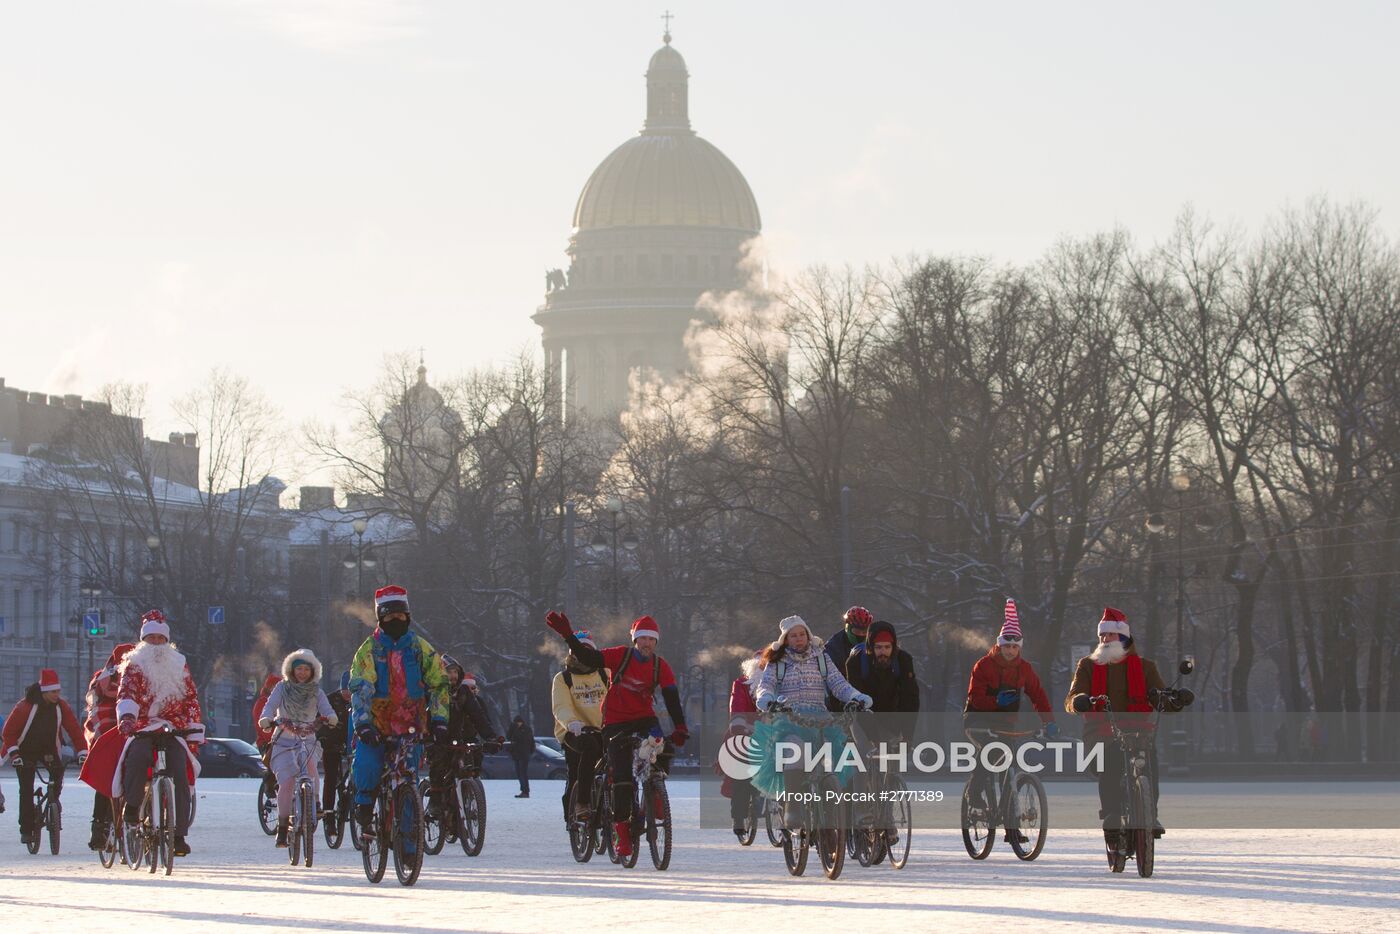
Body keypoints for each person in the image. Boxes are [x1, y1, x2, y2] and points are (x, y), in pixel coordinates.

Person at [544, 611, 689, 859]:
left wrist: (680, 727)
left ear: (656, 642)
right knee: (621, 777)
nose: (646, 644)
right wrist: (569, 636)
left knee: (663, 748)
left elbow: (671, 697)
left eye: (651, 640)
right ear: (635, 641)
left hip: (644, 718)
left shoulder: (659, 665)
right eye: (642, 639)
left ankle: (654, 792)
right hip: (615, 721)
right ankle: (622, 832)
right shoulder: (620, 656)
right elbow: (589, 656)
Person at [81, 610, 203, 857]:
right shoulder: (133, 664)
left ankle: (178, 835)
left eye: (160, 638)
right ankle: (133, 808)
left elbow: (191, 698)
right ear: (143, 641)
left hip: (172, 727)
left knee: (180, 771)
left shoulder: (179, 663)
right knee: (136, 759)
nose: (156, 644)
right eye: (151, 639)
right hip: (143, 726)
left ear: (167, 641)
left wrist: (193, 725)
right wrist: (127, 717)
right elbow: (127, 694)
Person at [1065, 607, 1189, 844]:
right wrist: (1078, 701)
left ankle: (1150, 814)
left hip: (1138, 731)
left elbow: (1159, 697)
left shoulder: (1145, 667)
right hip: (1101, 731)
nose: (1104, 639)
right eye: (1102, 635)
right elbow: (1072, 698)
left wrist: (1176, 700)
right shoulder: (1087, 665)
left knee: (1149, 765)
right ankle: (1111, 816)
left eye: (1110, 635)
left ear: (1123, 637)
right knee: (1110, 763)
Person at [348, 585, 449, 834]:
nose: (396, 620)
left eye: (400, 616)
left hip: (411, 724)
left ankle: (408, 844)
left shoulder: (420, 648)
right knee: (368, 765)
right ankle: (364, 803)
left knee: (407, 780)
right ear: (381, 618)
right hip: (376, 724)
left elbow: (439, 684)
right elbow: (360, 687)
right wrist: (362, 723)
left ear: (408, 617)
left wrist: (439, 719)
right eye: (390, 616)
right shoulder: (369, 649)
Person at [752, 616, 871, 819]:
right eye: (793, 636)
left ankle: (833, 818)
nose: (799, 639)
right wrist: (767, 700)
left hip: (820, 719)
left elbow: (838, 684)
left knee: (836, 760)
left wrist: (856, 696)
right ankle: (794, 808)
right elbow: (766, 685)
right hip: (790, 719)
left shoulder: (821, 658)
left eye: (802, 634)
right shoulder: (777, 662)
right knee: (794, 750)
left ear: (808, 635)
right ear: (786, 639)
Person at [964, 599, 1056, 842]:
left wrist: (1049, 721)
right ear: (1000, 645)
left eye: (1015, 647)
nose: (1011, 650)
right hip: (978, 721)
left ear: (1020, 648)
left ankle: (1011, 828)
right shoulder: (983, 665)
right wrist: (997, 702)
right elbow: (975, 697)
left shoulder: (1024, 669)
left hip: (1005, 724)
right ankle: (974, 796)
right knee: (990, 753)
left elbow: (1039, 695)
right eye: (1007, 646)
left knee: (1010, 767)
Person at [259, 649, 337, 848]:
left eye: (306, 669)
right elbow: (269, 706)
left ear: (313, 671)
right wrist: (266, 719)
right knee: (286, 783)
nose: (302, 673)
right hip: (283, 743)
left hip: (307, 740)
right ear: (291, 670)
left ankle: (315, 803)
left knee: (311, 770)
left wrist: (331, 717)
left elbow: (326, 709)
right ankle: (283, 828)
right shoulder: (281, 688)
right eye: (298, 668)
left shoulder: (316, 692)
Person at [3, 668, 87, 847]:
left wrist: (82, 751)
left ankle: (53, 803)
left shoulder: (61, 706)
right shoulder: (24, 707)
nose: (57, 695)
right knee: (26, 789)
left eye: (58, 691)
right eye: (54, 692)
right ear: (44, 691)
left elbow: (73, 729)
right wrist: (14, 754)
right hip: (25, 751)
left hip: (48, 749)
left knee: (57, 775)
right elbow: (8, 732)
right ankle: (26, 829)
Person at [426, 656, 501, 820]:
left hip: (457, 739)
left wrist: (491, 737)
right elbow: (424, 717)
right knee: (438, 766)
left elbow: (478, 716)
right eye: (449, 672)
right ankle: (435, 801)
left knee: (467, 764)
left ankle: (465, 798)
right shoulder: (433, 690)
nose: (452, 676)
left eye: (455, 672)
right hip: (436, 739)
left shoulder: (463, 692)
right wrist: (428, 738)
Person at [551, 631, 607, 821]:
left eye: (587, 650)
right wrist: (572, 722)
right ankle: (578, 806)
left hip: (604, 729)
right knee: (579, 765)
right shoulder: (563, 678)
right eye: (579, 650)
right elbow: (561, 706)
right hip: (573, 730)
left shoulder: (604, 673)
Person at [83, 643, 134, 849]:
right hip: (110, 734)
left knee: (106, 782)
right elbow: (97, 712)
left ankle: (99, 828)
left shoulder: (101, 679)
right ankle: (101, 828)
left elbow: (92, 711)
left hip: (111, 733)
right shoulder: (109, 681)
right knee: (110, 779)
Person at [723, 652, 763, 838]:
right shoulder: (741, 684)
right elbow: (737, 707)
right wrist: (739, 726)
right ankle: (738, 817)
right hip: (746, 730)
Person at [317, 671, 352, 818]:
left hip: (350, 742)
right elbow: (319, 720)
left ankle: (348, 802)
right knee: (331, 777)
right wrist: (323, 737)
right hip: (331, 742)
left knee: (355, 776)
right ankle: (328, 814)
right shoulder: (330, 700)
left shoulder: (359, 700)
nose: (348, 695)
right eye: (345, 691)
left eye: (351, 692)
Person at [824, 605, 873, 676]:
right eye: (857, 631)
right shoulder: (833, 647)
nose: (861, 634)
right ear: (848, 628)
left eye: (865, 631)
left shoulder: (874, 643)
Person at [508, 715, 534, 798]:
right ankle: (523, 790)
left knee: (523, 773)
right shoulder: (514, 729)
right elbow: (508, 737)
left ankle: (525, 791)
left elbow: (525, 740)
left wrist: (530, 752)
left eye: (518, 722)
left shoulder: (526, 729)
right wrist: (511, 729)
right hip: (516, 754)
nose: (517, 724)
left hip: (523, 754)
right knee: (519, 773)